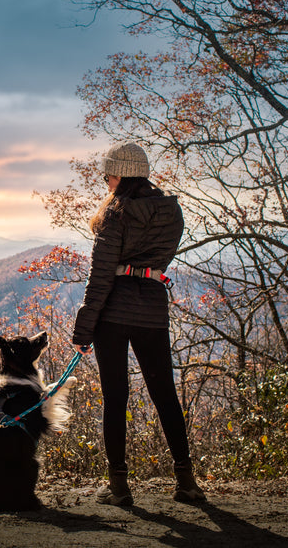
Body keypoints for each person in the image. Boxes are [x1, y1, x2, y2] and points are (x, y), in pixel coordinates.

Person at [71, 142, 205, 506]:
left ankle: (118, 487)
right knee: (166, 396)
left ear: (123, 174)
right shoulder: (171, 212)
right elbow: (159, 260)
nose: (106, 182)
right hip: (151, 310)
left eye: (108, 174)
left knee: (115, 398)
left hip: (113, 313)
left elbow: (100, 277)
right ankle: (187, 482)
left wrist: (83, 330)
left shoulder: (115, 215)